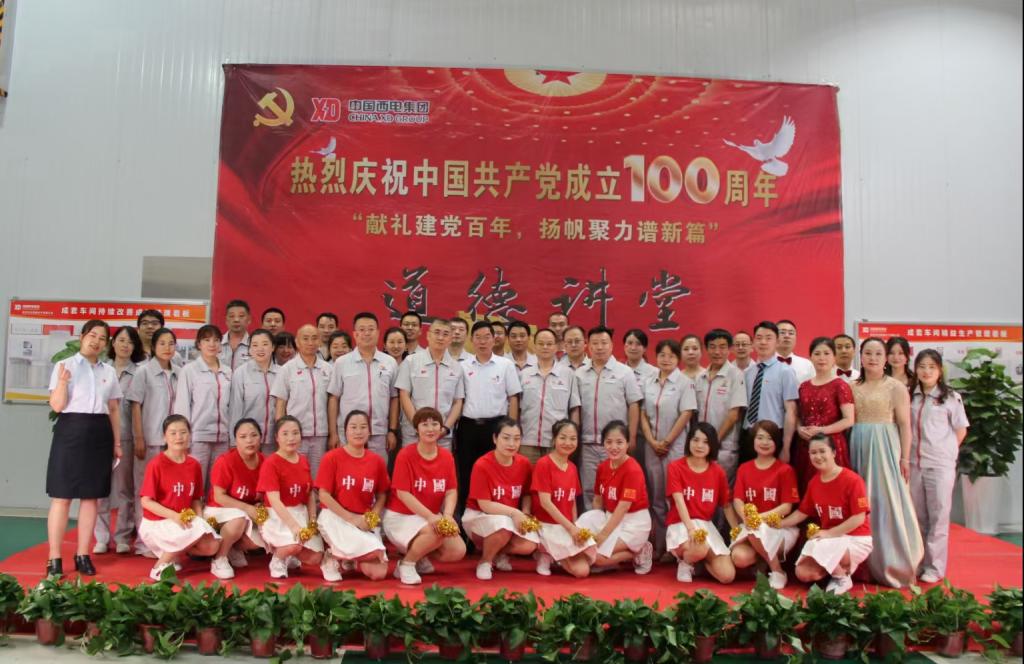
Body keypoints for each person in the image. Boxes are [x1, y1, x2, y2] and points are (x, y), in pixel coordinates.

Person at [45, 320, 123, 577]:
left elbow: (113, 409)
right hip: (71, 430)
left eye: (102, 338)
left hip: (99, 432)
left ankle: (82, 554)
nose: (96, 341)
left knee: (91, 497)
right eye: (92, 335)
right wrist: (62, 383)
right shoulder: (64, 365)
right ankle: (54, 558)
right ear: (82, 337)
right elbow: (57, 406)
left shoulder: (108, 371)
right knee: (62, 496)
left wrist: (117, 443)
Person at [849, 337, 923, 587]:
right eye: (868, 353)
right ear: (861, 357)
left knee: (886, 499)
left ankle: (893, 562)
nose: (873, 358)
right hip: (857, 443)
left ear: (885, 359)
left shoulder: (895, 387)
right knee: (861, 500)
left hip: (885, 446)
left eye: (878, 354)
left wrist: (904, 457)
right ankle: (861, 564)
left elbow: (905, 425)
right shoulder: (851, 386)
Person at [779, 434, 873, 595]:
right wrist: (778, 523)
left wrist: (829, 533)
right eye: (813, 453)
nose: (818, 456)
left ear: (834, 453)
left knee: (819, 544)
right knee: (802, 572)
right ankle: (837, 569)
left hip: (855, 538)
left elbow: (859, 518)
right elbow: (802, 513)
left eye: (822, 451)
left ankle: (842, 578)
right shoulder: (814, 483)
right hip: (829, 540)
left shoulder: (853, 480)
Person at [383, 407, 467, 585]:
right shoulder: (406, 454)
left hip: (431, 517)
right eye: (425, 424)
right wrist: (430, 517)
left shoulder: (446, 457)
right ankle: (407, 564)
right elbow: (403, 493)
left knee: (457, 550)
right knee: (436, 531)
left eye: (435, 424)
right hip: (401, 516)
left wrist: (447, 515)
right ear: (416, 429)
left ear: (441, 428)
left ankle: (419, 555)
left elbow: (451, 490)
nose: (430, 429)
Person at [909, 349, 969, 583]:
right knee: (918, 517)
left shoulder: (950, 397)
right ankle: (919, 562)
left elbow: (960, 430)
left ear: (940, 371)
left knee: (939, 517)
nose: (926, 371)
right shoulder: (910, 395)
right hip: (914, 464)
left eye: (931, 367)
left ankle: (935, 567)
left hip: (940, 466)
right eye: (922, 366)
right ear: (916, 369)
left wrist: (946, 453)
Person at [138, 415, 221, 580]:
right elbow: (145, 501)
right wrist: (175, 516)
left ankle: (173, 555)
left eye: (183, 432)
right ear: (164, 437)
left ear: (189, 435)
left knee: (212, 546)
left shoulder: (194, 465)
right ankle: (159, 567)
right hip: (158, 522)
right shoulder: (156, 464)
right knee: (194, 531)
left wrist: (200, 520)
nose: (179, 437)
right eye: (173, 433)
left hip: (183, 519)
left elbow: (196, 499)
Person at [316, 410, 390, 581]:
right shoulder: (331, 457)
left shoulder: (377, 461)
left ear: (369, 431)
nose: (358, 432)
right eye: (353, 427)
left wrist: (372, 516)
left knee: (378, 573)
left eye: (363, 427)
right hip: (335, 516)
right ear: (345, 431)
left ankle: (349, 557)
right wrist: (351, 518)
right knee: (368, 551)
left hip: (362, 519)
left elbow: (382, 494)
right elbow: (324, 495)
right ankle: (331, 557)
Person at [639, 339, 696, 557]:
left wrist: (667, 442)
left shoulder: (684, 383)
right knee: (656, 497)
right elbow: (643, 414)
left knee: (673, 497)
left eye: (671, 356)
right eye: (662, 355)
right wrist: (652, 441)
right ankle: (660, 545)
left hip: (675, 447)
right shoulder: (648, 381)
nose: (666, 359)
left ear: (678, 359)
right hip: (651, 446)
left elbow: (686, 414)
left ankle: (676, 547)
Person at [456, 321, 521, 510]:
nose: (482, 341)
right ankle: (467, 518)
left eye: (486, 337)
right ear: (472, 340)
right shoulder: (463, 366)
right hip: (468, 427)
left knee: (495, 472)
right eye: (478, 337)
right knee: (467, 473)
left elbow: (513, 398)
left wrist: (511, 428)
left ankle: (496, 514)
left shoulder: (505, 365)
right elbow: (459, 399)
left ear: (494, 339)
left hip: (496, 427)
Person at [462, 418, 539, 580]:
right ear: (495, 439)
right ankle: (485, 561)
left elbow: (526, 493)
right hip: (479, 515)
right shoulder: (482, 464)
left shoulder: (524, 463)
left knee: (529, 545)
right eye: (506, 438)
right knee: (502, 527)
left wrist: (525, 512)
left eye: (516, 439)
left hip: (509, 516)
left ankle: (497, 552)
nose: (511, 444)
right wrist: (515, 513)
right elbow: (485, 504)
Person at [126, 327, 180, 557]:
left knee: (168, 493)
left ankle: (165, 540)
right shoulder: (144, 372)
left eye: (171, 343)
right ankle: (143, 542)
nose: (167, 348)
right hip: (149, 440)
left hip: (173, 444)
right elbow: (135, 406)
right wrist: (139, 437)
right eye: (162, 343)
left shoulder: (179, 372)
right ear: (154, 347)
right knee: (145, 491)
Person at [257, 416, 331, 580]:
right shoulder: (271, 463)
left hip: (300, 512)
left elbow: (309, 493)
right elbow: (274, 500)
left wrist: (312, 520)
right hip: (278, 515)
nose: (291, 438)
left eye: (295, 433)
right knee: (294, 544)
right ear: (276, 437)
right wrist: (294, 526)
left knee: (315, 557)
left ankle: (290, 555)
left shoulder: (303, 460)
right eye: (285, 434)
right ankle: (278, 559)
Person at [576, 326, 643, 508]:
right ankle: (592, 525)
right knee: (590, 490)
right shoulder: (580, 374)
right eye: (595, 343)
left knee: (616, 489)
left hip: (616, 444)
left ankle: (613, 524)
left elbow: (634, 405)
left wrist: (632, 437)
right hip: (588, 443)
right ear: (588, 346)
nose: (599, 347)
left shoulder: (624, 372)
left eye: (604, 343)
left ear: (612, 345)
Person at [730, 421, 801, 590]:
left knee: (756, 529)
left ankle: (777, 571)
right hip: (751, 527)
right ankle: (763, 561)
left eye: (770, 438)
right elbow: (738, 500)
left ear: (776, 442)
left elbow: (787, 507)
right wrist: (747, 518)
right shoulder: (744, 468)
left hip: (778, 527)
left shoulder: (785, 470)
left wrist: (758, 518)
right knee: (739, 557)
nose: (764, 442)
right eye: (760, 437)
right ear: (753, 440)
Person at [577, 421, 654, 574]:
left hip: (633, 523)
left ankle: (639, 550)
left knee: (596, 557)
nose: (614, 447)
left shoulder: (633, 470)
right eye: (609, 442)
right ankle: (615, 557)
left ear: (627, 444)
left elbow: (623, 507)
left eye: (619, 442)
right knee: (583, 532)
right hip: (610, 518)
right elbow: (598, 499)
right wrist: (597, 521)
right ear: (603, 444)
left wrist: (603, 536)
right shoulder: (602, 467)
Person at [94, 326, 145, 555]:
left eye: (130, 342)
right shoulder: (100, 369)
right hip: (100, 436)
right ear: (112, 343)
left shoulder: (140, 372)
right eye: (121, 340)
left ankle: (123, 535)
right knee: (100, 489)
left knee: (125, 489)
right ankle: (101, 537)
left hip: (126, 438)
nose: (125, 345)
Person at [665, 423, 737, 583]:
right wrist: (691, 529)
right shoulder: (675, 467)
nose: (699, 445)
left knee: (727, 576)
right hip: (681, 523)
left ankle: (698, 564)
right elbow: (679, 501)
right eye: (695, 440)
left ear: (712, 446)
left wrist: (737, 531)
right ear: (689, 441)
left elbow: (726, 505)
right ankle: (686, 562)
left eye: (705, 442)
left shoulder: (718, 472)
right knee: (700, 546)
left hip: (705, 525)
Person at [327, 311, 399, 462]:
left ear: (378, 333)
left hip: (379, 433)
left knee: (378, 473)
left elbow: (394, 398)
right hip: (349, 433)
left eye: (371, 329)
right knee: (349, 474)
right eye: (362, 329)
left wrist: (392, 430)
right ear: (355, 334)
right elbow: (334, 398)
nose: (367, 333)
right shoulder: (342, 363)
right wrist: (333, 433)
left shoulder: (390, 362)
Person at [531, 420, 596, 577]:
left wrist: (575, 526)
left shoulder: (572, 467)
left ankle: (556, 556)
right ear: (554, 439)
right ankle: (544, 553)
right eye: (563, 438)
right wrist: (570, 528)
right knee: (581, 571)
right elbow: (546, 503)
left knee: (589, 562)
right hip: (547, 525)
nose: (568, 443)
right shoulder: (543, 464)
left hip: (566, 526)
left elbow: (572, 500)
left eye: (573, 438)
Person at [204, 418, 266, 579]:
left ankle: (233, 548)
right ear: (235, 440)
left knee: (261, 536)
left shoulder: (264, 461)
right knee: (240, 519)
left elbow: (265, 494)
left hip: (247, 511)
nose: (249, 440)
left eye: (254, 435)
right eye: (243, 436)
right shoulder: (225, 461)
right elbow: (219, 496)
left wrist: (259, 505)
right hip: (219, 510)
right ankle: (219, 559)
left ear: (261, 437)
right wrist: (247, 508)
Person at [271, 324, 332, 478]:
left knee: (317, 478)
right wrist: (281, 433)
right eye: (305, 338)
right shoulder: (287, 369)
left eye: (314, 338)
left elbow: (332, 403)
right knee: (294, 476)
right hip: (295, 435)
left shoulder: (328, 369)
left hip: (320, 434)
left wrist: (333, 433)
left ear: (319, 342)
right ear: (297, 342)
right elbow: (280, 404)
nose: (310, 342)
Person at [174, 324, 232, 488]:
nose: (212, 344)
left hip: (222, 438)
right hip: (198, 437)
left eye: (216, 340)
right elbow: (182, 406)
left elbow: (231, 406)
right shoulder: (190, 370)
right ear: (199, 344)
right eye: (206, 340)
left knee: (217, 486)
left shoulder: (228, 371)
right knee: (195, 484)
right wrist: (183, 438)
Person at [794, 337, 855, 491]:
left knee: (832, 490)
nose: (822, 358)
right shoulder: (803, 386)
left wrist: (822, 430)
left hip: (831, 445)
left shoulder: (840, 385)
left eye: (827, 353)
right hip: (806, 445)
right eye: (817, 354)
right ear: (810, 358)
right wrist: (799, 428)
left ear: (834, 357)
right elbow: (798, 416)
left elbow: (849, 420)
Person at [395, 319, 465, 450]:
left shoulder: (456, 367)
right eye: (437, 332)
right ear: (428, 335)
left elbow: (458, 402)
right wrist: (418, 425)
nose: (440, 337)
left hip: (442, 436)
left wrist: (445, 428)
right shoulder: (411, 361)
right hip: (414, 434)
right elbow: (404, 395)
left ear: (450, 339)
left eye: (445, 334)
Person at [518, 328, 581, 464]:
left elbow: (574, 409)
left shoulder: (568, 374)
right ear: (534, 346)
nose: (545, 347)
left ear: (557, 346)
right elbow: (517, 409)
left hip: (557, 442)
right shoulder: (524, 374)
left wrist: (572, 437)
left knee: (555, 477)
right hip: (527, 441)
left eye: (549, 344)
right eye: (541, 344)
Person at [741, 321, 798, 465]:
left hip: (773, 435)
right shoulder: (747, 373)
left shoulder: (786, 371)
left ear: (777, 342)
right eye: (759, 338)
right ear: (753, 342)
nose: (763, 342)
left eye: (768, 338)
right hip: (748, 434)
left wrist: (786, 447)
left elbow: (791, 411)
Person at [694, 329, 747, 482]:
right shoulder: (700, 377)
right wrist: (701, 442)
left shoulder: (736, 375)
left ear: (729, 349)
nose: (717, 352)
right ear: (706, 349)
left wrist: (714, 441)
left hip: (724, 446)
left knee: (722, 490)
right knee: (702, 488)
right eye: (712, 347)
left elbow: (734, 415)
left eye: (722, 347)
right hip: (700, 446)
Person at [228, 329, 279, 455]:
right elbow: (235, 409)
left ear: (273, 347)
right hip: (249, 439)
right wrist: (234, 440)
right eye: (255, 345)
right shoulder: (241, 373)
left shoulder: (282, 373)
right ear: (249, 350)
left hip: (274, 438)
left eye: (265, 344)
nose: (260, 349)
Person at [776, 320, 815, 384]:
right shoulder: (764, 364)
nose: (787, 336)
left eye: (791, 333)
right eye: (782, 332)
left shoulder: (807, 365)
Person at [220, 300, 252, 371]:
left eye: (241, 316)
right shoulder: (217, 343)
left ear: (249, 319)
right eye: (231, 316)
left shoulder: (254, 345)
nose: (236, 320)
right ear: (226, 320)